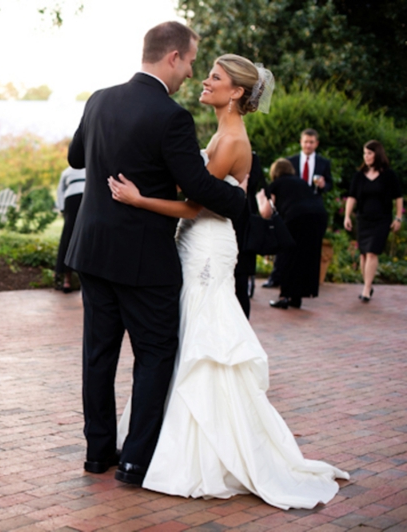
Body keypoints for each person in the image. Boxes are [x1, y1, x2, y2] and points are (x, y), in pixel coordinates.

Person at [110, 54, 348, 510]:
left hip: (205, 246)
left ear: (236, 91)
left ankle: (200, 453)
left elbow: (195, 207)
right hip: (199, 244)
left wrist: (139, 200)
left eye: (215, 77)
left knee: (202, 342)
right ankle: (162, 441)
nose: (205, 80)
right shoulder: (222, 133)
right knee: (185, 339)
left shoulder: (230, 140)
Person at [66, 21, 246, 486]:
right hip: (145, 260)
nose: (191, 73)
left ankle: (97, 453)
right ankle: (135, 462)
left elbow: (75, 157)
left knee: (98, 356)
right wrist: (242, 204)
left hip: (91, 251)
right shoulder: (171, 117)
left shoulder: (99, 99)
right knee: (155, 355)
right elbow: (201, 185)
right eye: (189, 62)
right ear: (172, 57)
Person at [263, 128, 333, 289]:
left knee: (305, 246)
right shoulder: (290, 161)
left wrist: (324, 185)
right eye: (305, 141)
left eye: (311, 142)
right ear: (301, 142)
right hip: (290, 209)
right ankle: (277, 277)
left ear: (316, 143)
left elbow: (330, 184)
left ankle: (301, 283)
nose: (308, 145)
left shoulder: (324, 163)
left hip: (312, 206)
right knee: (286, 242)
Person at [257, 159, 328, 309]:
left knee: (287, 254)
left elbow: (265, 212)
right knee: (307, 256)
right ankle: (297, 297)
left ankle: (284, 297)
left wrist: (260, 199)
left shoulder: (276, 184)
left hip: (296, 217)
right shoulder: (301, 182)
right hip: (319, 216)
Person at [344, 140, 403, 302]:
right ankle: (367, 285)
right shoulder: (359, 175)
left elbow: (398, 197)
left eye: (369, 153)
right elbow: (352, 197)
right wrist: (347, 215)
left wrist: (398, 217)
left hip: (382, 220)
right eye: (364, 153)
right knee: (363, 255)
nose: (366, 156)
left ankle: (366, 288)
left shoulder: (388, 175)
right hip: (363, 220)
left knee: (371, 252)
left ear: (377, 154)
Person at [231, 152, 264, 318]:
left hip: (243, 225)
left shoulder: (252, 157)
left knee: (241, 283)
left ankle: (242, 324)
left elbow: (255, 183)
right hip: (236, 222)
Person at [54, 166, 85, 293]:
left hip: (88, 197)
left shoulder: (91, 166)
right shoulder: (66, 172)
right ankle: (67, 280)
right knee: (69, 237)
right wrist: (62, 208)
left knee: (87, 237)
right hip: (72, 200)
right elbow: (59, 191)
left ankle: (85, 283)